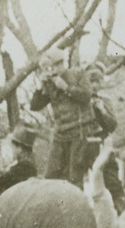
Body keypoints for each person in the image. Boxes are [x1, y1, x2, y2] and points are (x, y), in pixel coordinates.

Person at [31, 49, 99, 187]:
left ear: (62, 64)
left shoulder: (78, 74)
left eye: (54, 67)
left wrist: (66, 88)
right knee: (51, 175)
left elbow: (86, 96)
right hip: (60, 133)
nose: (52, 71)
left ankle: (76, 207)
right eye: (49, 68)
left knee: (74, 177)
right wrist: (41, 86)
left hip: (79, 132)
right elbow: (35, 106)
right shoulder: (49, 83)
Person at [0, 125, 40, 193]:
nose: (13, 150)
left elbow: (1, 180)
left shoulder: (24, 165)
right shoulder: (28, 163)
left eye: (14, 147)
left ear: (20, 148)